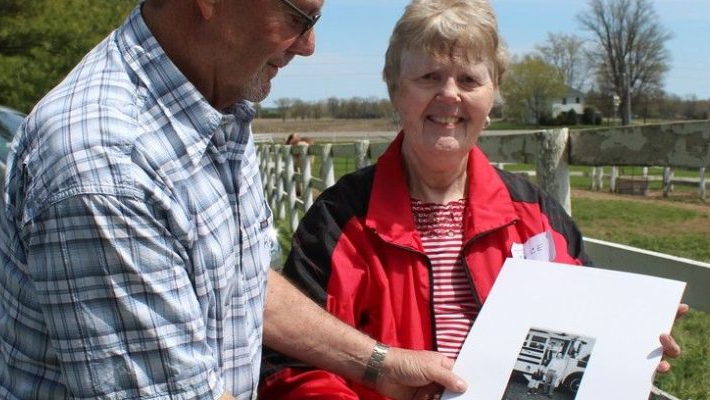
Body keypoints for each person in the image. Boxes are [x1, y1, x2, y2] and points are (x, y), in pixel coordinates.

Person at [0, 1, 466, 399]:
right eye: (299, 16)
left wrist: (377, 365)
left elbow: (241, 284)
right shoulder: (108, 163)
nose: (309, 45)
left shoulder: (215, 109)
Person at [259, 0, 684, 398]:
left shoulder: (536, 216)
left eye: (469, 80)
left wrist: (628, 344)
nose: (449, 95)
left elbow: (580, 337)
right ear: (395, 90)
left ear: (493, 95)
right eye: (428, 77)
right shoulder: (338, 222)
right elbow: (293, 365)